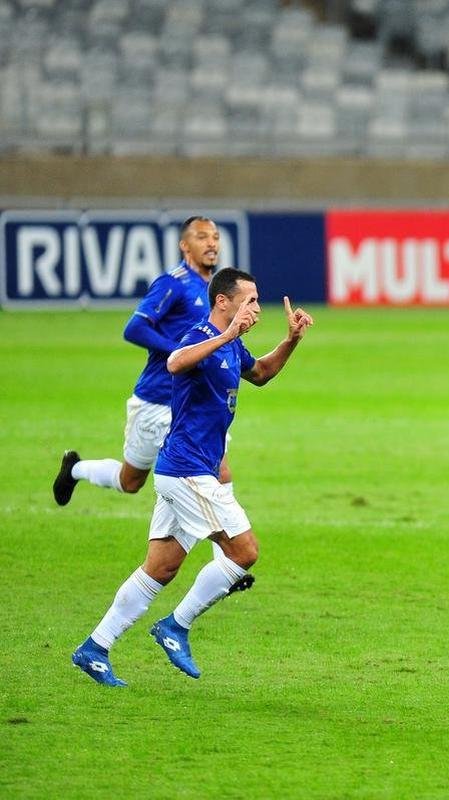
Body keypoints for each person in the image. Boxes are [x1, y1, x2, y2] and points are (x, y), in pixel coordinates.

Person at [71, 268, 314, 686]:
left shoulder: (232, 345)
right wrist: (225, 336)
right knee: (244, 551)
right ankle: (175, 626)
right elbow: (174, 362)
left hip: (180, 472)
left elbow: (260, 374)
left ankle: (95, 647)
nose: (257, 307)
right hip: (189, 473)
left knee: (160, 569)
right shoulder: (199, 334)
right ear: (224, 301)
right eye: (251, 299)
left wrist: (290, 341)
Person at [54, 216, 234, 505]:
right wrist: (179, 351)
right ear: (184, 245)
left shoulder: (215, 290)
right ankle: (75, 469)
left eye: (215, 236)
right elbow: (134, 328)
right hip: (157, 400)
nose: (211, 242)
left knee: (219, 470)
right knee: (130, 481)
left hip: (195, 400)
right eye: (202, 237)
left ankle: (228, 552)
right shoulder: (172, 283)